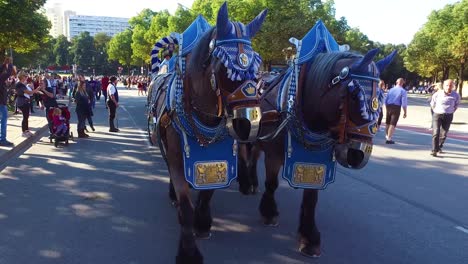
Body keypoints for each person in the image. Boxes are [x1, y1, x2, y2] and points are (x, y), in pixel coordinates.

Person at [429, 79, 460, 157]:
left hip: (448, 115)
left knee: (444, 134)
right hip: (437, 115)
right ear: (443, 86)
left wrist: (450, 111)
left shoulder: (456, 95)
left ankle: (439, 146)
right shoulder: (437, 94)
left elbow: (456, 106)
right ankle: (434, 150)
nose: (448, 87)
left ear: (453, 86)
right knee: (436, 132)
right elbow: (432, 104)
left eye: (450, 85)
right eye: (447, 85)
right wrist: (437, 111)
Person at [16, 71, 40, 137]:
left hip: (24, 101)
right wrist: (36, 90)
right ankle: (24, 132)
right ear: (21, 77)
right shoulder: (19, 84)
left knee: (26, 116)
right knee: (25, 117)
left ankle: (26, 130)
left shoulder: (22, 84)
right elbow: (28, 92)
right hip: (22, 101)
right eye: (25, 76)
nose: (26, 77)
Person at [384, 78, 408, 144]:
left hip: (388, 106)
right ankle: (389, 139)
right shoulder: (403, 91)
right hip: (396, 107)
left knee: (387, 122)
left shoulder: (391, 90)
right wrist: (405, 112)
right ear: (403, 83)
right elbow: (404, 103)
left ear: (396, 82)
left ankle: (387, 136)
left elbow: (386, 100)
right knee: (393, 123)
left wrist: (386, 107)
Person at [0, 57, 16, 146]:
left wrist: (4, 64)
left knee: (2, 119)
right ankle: (2, 139)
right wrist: (9, 63)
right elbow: (9, 72)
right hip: (1, 103)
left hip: (2, 102)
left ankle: (2, 138)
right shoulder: (1, 78)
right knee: (4, 119)